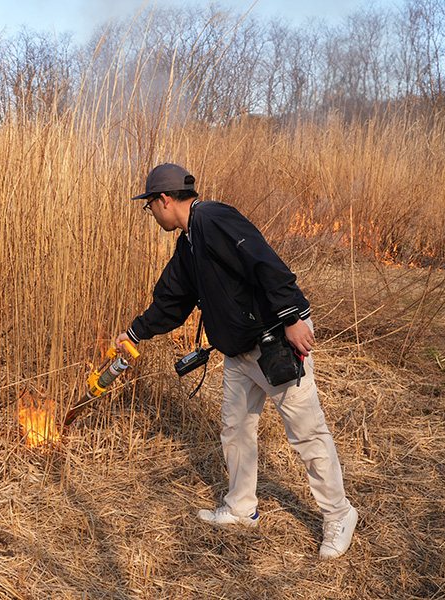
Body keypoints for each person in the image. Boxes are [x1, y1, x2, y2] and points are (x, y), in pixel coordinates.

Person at [114, 163, 358, 560]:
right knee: (236, 430)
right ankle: (242, 507)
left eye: (149, 207)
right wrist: (136, 333)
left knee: (307, 434)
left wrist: (293, 317)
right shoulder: (189, 244)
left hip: (274, 343)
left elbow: (266, 262)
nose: (151, 215)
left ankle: (340, 515)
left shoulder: (213, 218)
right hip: (238, 351)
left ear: (163, 200)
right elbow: (171, 301)